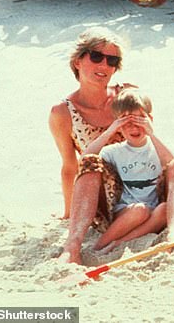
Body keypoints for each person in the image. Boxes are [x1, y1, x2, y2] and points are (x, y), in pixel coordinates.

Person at [60, 88, 174, 264]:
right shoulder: (114, 151)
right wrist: (111, 130)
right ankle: (95, 245)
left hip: (157, 213)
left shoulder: (159, 147)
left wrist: (151, 133)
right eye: (127, 122)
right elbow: (85, 160)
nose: (134, 127)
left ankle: (170, 236)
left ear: (150, 120)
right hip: (126, 212)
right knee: (139, 211)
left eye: (139, 120)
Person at [49, 27, 131, 219]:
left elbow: (149, 144)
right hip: (103, 193)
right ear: (77, 61)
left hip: (141, 179)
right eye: (96, 57)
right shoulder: (62, 112)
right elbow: (70, 166)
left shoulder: (125, 96)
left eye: (112, 61)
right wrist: (70, 214)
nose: (104, 65)